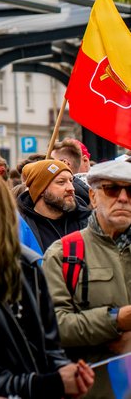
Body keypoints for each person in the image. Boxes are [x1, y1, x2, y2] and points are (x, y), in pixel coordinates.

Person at [0, 166, 94, 398]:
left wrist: (67, 371)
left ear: (1, 209)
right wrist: (45, 384)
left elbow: (49, 345)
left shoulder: (30, 265)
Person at [43, 158, 131, 399]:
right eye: (112, 189)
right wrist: (115, 320)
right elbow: (54, 327)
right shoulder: (64, 253)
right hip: (95, 391)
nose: (123, 198)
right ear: (93, 198)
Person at [17, 159, 90, 253]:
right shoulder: (21, 227)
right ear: (41, 190)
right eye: (61, 182)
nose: (71, 188)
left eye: (71, 181)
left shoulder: (87, 220)